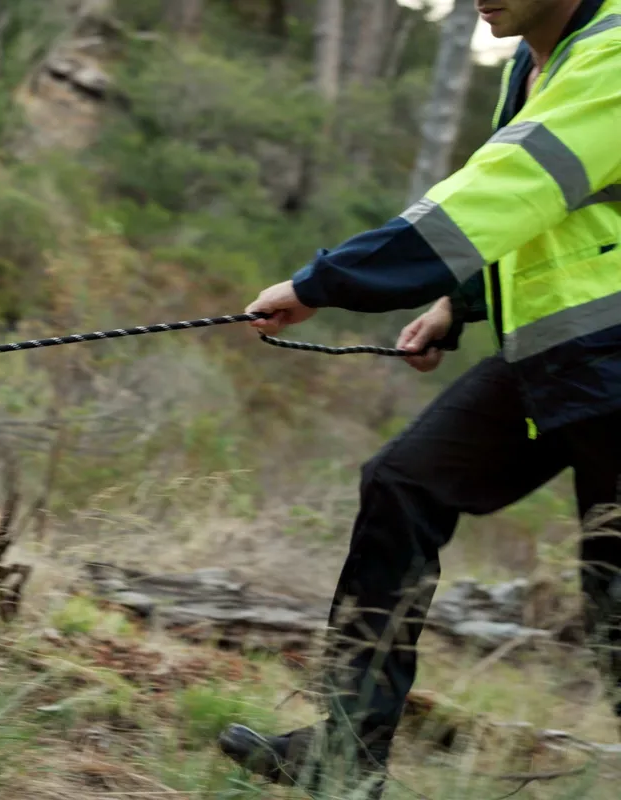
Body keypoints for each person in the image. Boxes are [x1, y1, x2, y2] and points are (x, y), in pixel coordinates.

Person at [218, 0, 621, 796]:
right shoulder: (534, 60)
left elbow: (504, 192)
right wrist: (456, 306)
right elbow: (541, 214)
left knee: (616, 604)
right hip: (564, 357)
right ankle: (348, 755)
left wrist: (323, 283)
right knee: (404, 483)